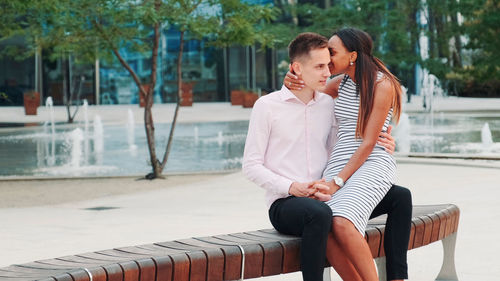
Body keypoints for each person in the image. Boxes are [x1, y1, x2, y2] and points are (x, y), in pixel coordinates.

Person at [243, 32, 411, 281]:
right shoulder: (272, 105)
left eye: (330, 57)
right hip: (290, 199)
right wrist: (294, 186)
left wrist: (379, 143)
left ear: (352, 56)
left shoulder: (332, 99)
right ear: (297, 68)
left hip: (330, 183)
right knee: (326, 216)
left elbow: (357, 137)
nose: (327, 67)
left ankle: (398, 277)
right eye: (321, 63)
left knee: (399, 196)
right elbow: (251, 165)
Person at [300, 27, 404, 281]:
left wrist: (337, 182)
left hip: (371, 162)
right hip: (339, 163)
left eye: (332, 53)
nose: (328, 59)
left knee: (342, 222)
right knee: (325, 226)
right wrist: (292, 79)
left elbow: (369, 143)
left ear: (353, 56)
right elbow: (304, 92)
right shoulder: (340, 83)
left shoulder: (383, 84)